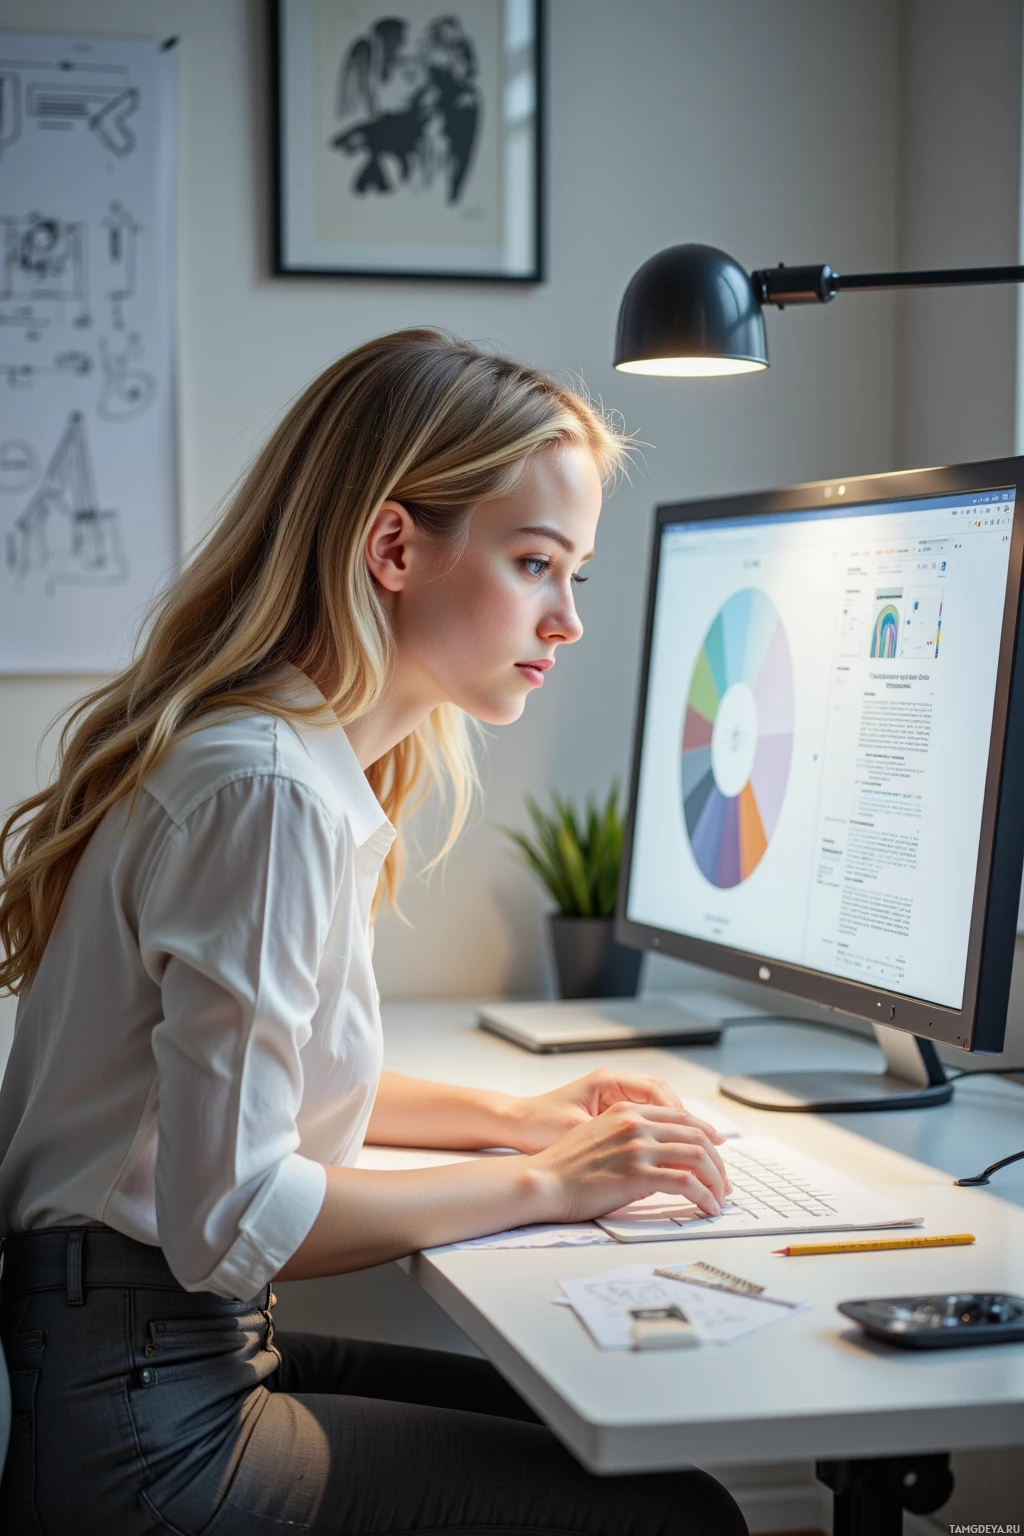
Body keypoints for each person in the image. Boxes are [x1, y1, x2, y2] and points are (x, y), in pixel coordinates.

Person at [0, 330, 747, 1536]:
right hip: (148, 1428)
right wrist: (542, 1183)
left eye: (577, 575)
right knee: (674, 1517)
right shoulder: (268, 792)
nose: (567, 621)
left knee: (600, 1442)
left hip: (147, 1363)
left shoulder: (287, 763)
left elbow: (255, 1084)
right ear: (394, 547)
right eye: (535, 563)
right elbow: (231, 1216)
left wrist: (522, 1119)